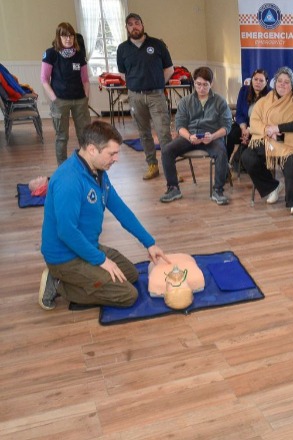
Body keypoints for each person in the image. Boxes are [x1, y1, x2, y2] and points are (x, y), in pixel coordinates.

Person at [39, 121, 169, 310]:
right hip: (65, 257)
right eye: (112, 153)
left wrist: (149, 243)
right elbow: (66, 232)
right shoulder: (68, 180)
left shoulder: (98, 172)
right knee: (127, 295)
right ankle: (59, 283)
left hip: (87, 245)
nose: (117, 159)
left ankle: (79, 278)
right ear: (92, 150)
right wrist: (101, 260)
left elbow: (120, 209)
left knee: (131, 275)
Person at [241, 67, 293, 213]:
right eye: (279, 81)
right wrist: (267, 130)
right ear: (274, 83)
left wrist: (278, 128)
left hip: (292, 141)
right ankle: (272, 187)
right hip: (269, 140)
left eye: (286, 82)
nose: (282, 84)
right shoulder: (266, 99)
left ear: (292, 84)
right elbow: (254, 122)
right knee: (247, 156)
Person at [159, 67, 233, 205]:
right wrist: (189, 137)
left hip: (212, 136)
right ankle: (173, 188)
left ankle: (218, 190)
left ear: (211, 84)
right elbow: (180, 126)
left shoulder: (220, 101)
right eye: (198, 84)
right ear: (194, 82)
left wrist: (212, 136)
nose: (201, 88)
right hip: (190, 136)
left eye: (205, 84)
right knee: (167, 150)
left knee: (221, 152)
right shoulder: (185, 101)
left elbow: (227, 126)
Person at [116, 12, 174, 180]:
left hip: (157, 96)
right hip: (135, 97)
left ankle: (170, 169)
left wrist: (157, 84)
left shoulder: (157, 44)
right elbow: (122, 74)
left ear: (142, 25)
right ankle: (152, 166)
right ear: (127, 28)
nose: (134, 26)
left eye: (137, 23)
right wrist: (135, 85)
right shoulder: (122, 49)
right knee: (144, 133)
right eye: (130, 24)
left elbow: (169, 69)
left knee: (164, 133)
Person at [41, 22, 92, 166]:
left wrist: (86, 97)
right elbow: (44, 79)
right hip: (60, 101)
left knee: (84, 135)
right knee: (62, 137)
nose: (68, 39)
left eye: (71, 35)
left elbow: (85, 80)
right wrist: (54, 99)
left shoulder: (79, 55)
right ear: (59, 37)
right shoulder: (51, 54)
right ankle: (62, 168)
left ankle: (86, 165)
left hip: (80, 100)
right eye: (64, 35)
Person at [225, 68, 271, 170]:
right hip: (243, 125)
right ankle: (224, 165)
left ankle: (250, 165)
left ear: (266, 82)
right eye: (255, 79)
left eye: (261, 80)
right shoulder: (244, 90)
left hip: (259, 129)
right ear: (252, 80)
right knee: (230, 134)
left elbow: (267, 118)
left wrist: (249, 130)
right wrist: (243, 128)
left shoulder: (270, 95)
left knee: (254, 139)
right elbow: (239, 113)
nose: (258, 82)